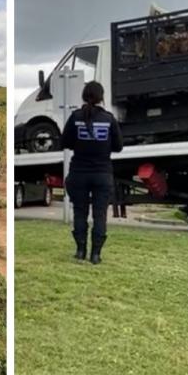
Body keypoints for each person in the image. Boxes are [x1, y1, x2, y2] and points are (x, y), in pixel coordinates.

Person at [60, 81, 123, 264]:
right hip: (102, 173)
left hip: (78, 172)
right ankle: (96, 255)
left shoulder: (75, 117)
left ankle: (80, 251)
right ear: (101, 97)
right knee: (100, 215)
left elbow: (65, 142)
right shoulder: (109, 119)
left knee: (80, 213)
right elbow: (118, 147)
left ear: (84, 95)